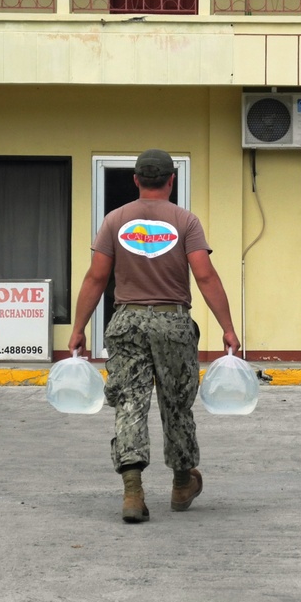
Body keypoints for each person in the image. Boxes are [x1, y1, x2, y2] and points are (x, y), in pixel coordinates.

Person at [68, 148, 241, 524]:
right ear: (171, 180)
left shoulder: (115, 220)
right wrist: (227, 327)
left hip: (127, 322)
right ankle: (181, 483)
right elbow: (205, 276)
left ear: (135, 180)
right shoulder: (186, 221)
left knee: (130, 402)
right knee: (176, 402)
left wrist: (79, 327)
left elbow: (96, 277)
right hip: (173, 322)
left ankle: (133, 490)